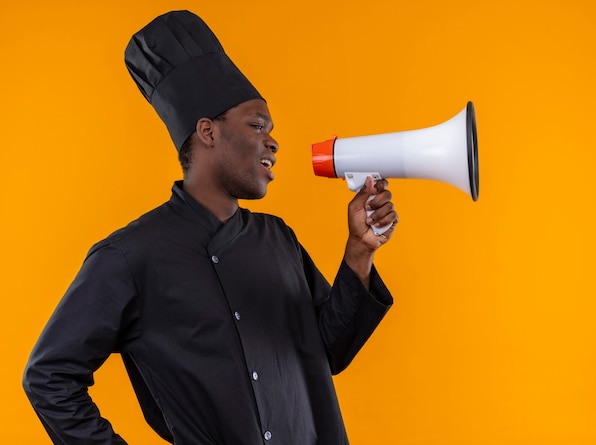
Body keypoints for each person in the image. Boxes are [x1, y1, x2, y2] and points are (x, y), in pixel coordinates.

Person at [23, 10, 398, 445]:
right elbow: (49, 377)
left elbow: (328, 352)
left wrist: (359, 251)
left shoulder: (279, 240)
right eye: (257, 125)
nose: (273, 141)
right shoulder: (130, 257)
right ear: (208, 132)